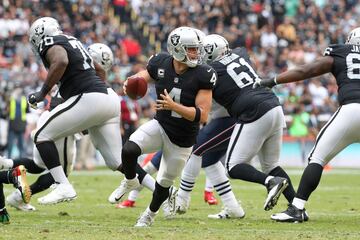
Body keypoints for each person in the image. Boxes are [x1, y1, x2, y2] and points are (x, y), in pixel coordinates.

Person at [109, 27, 216, 227]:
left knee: (164, 182)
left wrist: (175, 106)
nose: (196, 53)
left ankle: (149, 215)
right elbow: (143, 76)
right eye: (191, 49)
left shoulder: (203, 73)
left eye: (196, 49)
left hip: (183, 140)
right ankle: (131, 180)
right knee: (129, 149)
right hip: (161, 125)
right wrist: (131, 82)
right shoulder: (160, 63)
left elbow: (202, 115)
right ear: (177, 49)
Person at [254, 27, 360, 222]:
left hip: (352, 110)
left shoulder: (341, 52)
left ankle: (297, 208)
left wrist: (272, 80)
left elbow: (307, 70)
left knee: (317, 158)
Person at [26, 17, 124, 205]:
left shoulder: (50, 41)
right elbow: (100, 70)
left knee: (41, 136)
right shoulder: (72, 40)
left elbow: (61, 61)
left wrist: (42, 92)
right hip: (102, 99)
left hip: (87, 97)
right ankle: (160, 188)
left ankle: (63, 185)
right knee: (116, 161)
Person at [204, 34, 297, 214]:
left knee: (232, 167)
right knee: (272, 165)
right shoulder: (241, 54)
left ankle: (270, 182)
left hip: (253, 110)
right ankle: (297, 206)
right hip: (273, 104)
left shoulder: (210, 70)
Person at [117, 151, 219, 208]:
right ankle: (131, 199)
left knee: (209, 162)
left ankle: (208, 192)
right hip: (172, 142)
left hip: (191, 144)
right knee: (148, 169)